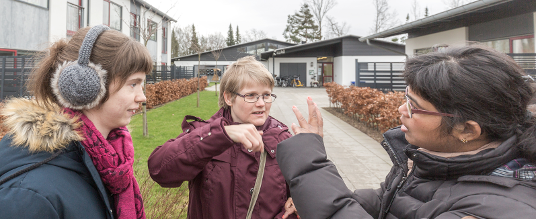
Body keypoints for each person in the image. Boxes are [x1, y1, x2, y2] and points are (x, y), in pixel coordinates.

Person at [277, 46, 536, 219]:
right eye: (405, 97)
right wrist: (316, 196)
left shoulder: (497, 209)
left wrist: (310, 168)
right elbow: (391, 202)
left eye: (414, 107)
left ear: (467, 129)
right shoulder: (438, 156)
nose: (401, 109)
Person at [0, 25, 151, 219]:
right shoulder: (28, 197)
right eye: (133, 84)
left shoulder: (107, 164)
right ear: (87, 86)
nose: (142, 97)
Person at [148, 56, 299, 219]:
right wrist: (220, 135)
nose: (261, 103)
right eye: (251, 95)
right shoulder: (204, 132)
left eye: (266, 95)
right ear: (229, 98)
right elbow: (159, 170)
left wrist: (301, 201)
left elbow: (306, 189)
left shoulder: (283, 138)